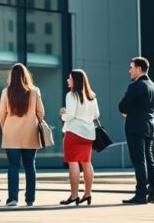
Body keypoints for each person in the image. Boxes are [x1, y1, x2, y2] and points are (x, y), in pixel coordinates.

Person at [0, 63, 45, 207]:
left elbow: (1, 114)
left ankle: (12, 199)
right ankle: (30, 199)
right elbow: (41, 112)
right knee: (30, 165)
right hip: (30, 133)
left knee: (13, 166)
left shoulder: (6, 92)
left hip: (11, 133)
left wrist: (5, 128)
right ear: (26, 76)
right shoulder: (34, 91)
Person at [118, 56, 154, 205]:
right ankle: (153, 194)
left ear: (139, 69)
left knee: (139, 161)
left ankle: (141, 194)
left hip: (135, 127)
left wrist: (128, 112)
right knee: (149, 160)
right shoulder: (153, 87)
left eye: (131, 67)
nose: (129, 71)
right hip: (149, 127)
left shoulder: (135, 86)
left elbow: (122, 106)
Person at [60, 69, 99, 206]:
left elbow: (70, 115)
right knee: (86, 163)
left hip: (74, 132)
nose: (67, 80)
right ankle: (87, 194)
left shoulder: (71, 95)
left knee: (73, 162)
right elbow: (96, 115)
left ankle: (74, 195)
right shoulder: (91, 96)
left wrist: (63, 114)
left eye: (69, 78)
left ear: (75, 80)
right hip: (88, 134)